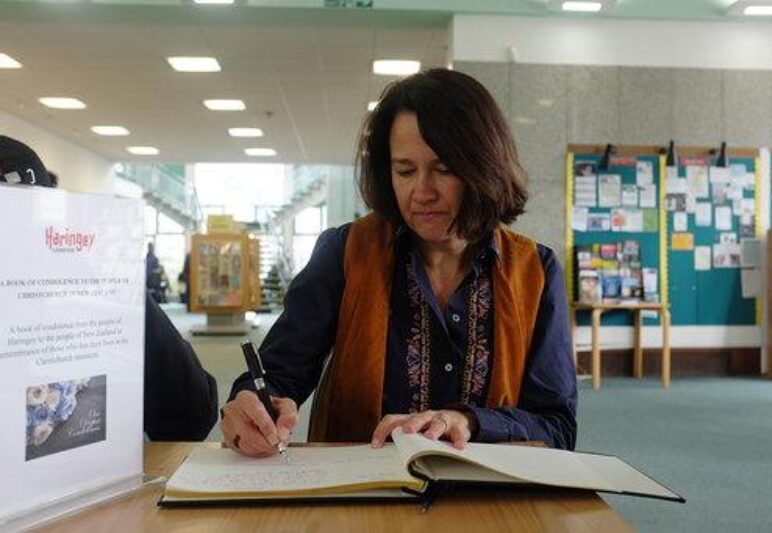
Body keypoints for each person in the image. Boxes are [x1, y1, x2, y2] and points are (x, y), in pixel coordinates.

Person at [221, 68, 577, 457]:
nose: (422, 191)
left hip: (489, 500)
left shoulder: (535, 270)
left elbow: (556, 426)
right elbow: (278, 374)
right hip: (361, 494)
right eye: (405, 170)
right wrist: (253, 405)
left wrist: (470, 421)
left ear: (483, 167)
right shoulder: (346, 251)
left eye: (444, 169)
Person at [0, 134, 217, 441]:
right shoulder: (82, 279)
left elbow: (190, 414)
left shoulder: (88, 288)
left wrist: (117, 293)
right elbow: (191, 414)